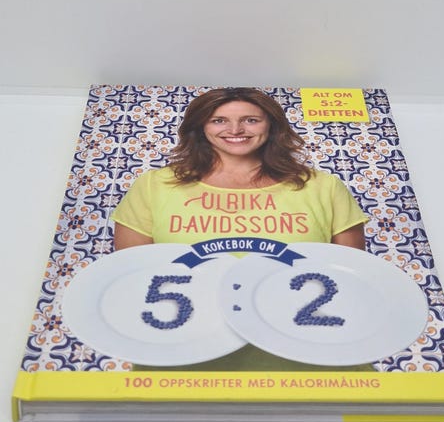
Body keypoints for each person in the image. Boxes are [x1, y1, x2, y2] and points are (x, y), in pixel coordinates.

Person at [111, 87, 370, 371]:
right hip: (181, 351)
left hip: (311, 352)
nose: (235, 130)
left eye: (251, 120)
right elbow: (133, 277)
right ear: (201, 127)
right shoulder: (155, 185)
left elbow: (350, 278)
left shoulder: (322, 186)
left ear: (271, 125)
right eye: (219, 120)